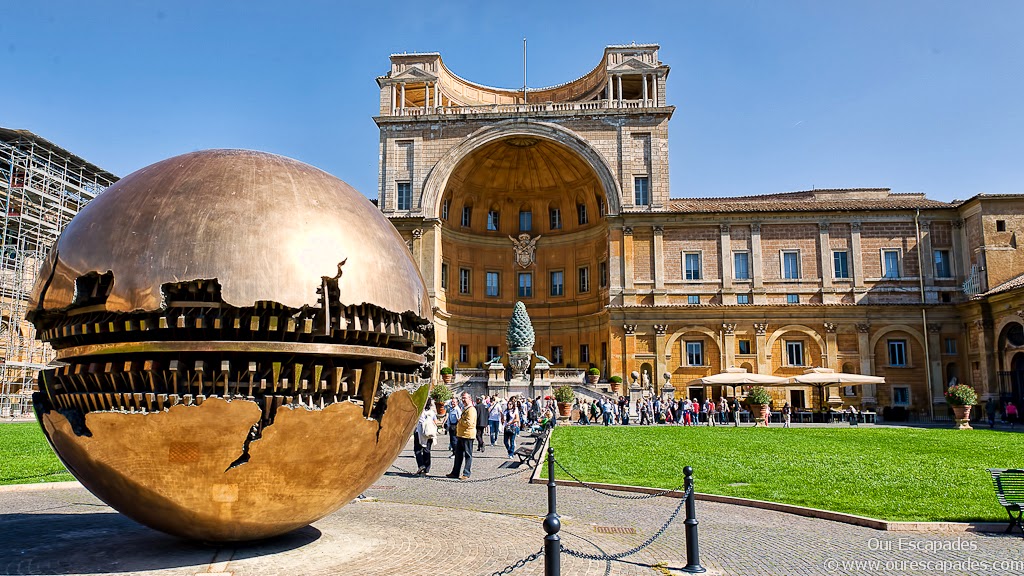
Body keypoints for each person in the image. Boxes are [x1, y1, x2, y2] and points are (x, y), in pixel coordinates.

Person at [447, 392, 476, 479]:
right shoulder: (465, 408)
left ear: (470, 399)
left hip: (467, 435)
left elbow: (469, 423)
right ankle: (455, 472)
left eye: (465, 398)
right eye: (462, 398)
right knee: (458, 455)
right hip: (461, 435)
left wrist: (460, 420)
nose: (463, 400)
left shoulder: (471, 410)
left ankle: (466, 473)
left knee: (468, 455)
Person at [414, 400, 438, 475]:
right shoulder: (432, 412)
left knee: (417, 450)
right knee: (427, 451)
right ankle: (427, 469)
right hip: (429, 433)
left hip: (419, 433)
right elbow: (435, 422)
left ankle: (421, 465)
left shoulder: (419, 411)